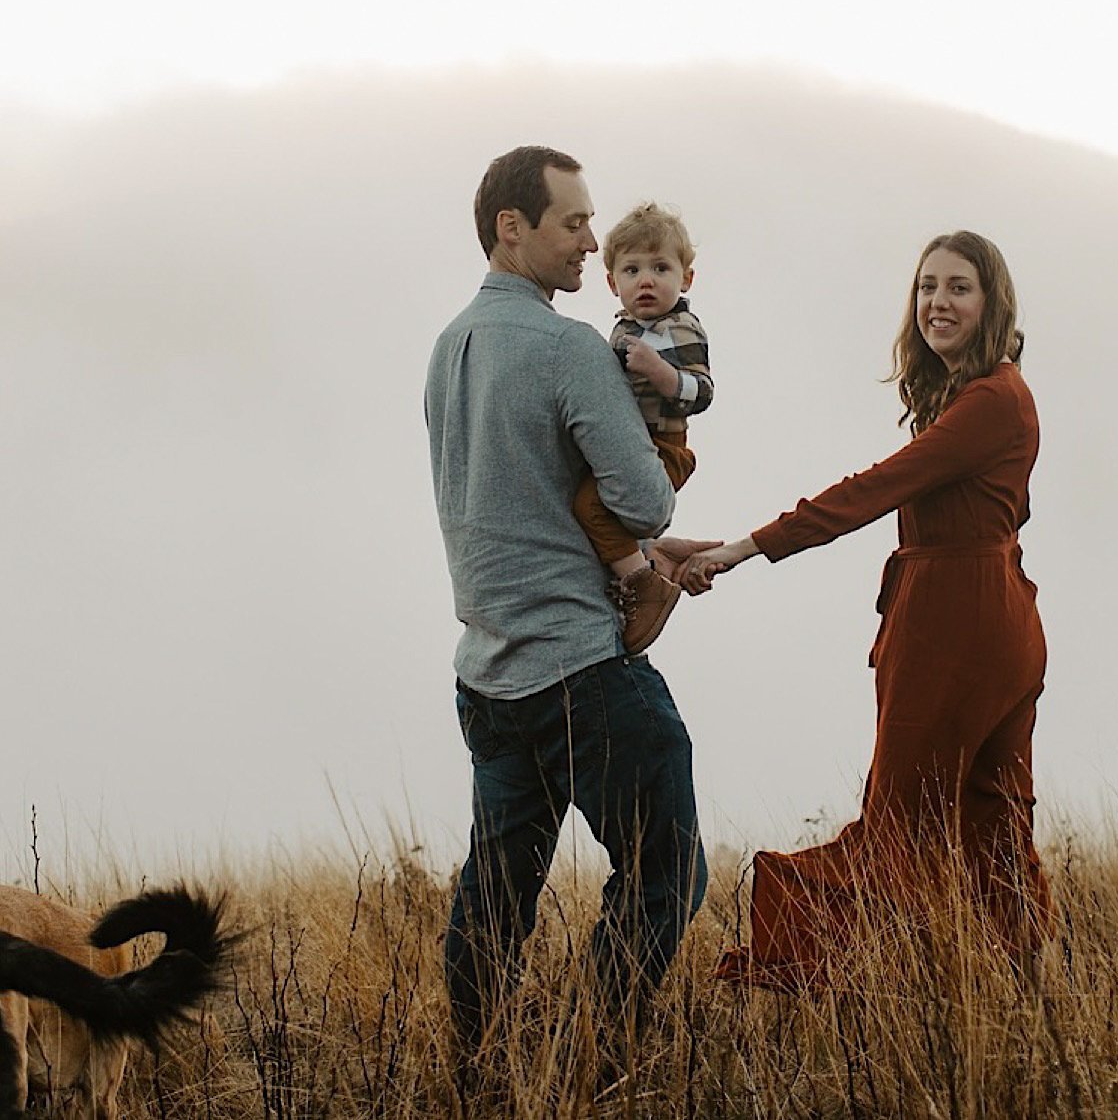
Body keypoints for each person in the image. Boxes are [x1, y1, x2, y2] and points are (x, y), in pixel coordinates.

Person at [678, 229, 1050, 986]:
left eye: (959, 288)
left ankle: (858, 983)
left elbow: (872, 491)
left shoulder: (990, 401)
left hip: (956, 622)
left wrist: (746, 547)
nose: (938, 302)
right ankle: (1011, 992)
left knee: (899, 825)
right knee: (992, 823)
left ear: (992, 301)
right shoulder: (985, 397)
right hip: (992, 615)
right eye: (927, 287)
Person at [423, 145, 716, 1081]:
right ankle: (599, 1055)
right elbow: (644, 496)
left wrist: (640, 558)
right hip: (583, 673)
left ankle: (473, 1067)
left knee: (497, 895)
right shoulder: (566, 346)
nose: (594, 240)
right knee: (669, 871)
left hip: (489, 674)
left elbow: (512, 500)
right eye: (574, 223)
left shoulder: (450, 347)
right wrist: (651, 544)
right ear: (513, 228)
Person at [572, 202, 713, 655]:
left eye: (660, 267)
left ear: (685, 278)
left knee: (592, 506)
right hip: (628, 443)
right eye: (632, 270)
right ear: (613, 283)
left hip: (663, 446)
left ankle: (643, 584)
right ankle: (639, 565)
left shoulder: (681, 329)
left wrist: (661, 372)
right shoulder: (623, 329)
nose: (646, 280)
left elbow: (703, 392)